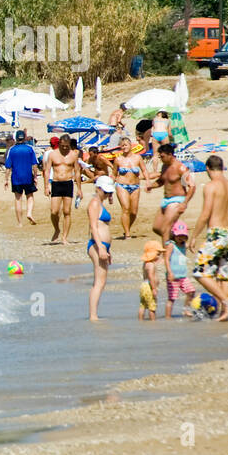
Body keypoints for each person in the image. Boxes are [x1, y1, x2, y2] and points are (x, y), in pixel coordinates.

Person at [187, 155, 228, 320]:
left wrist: (194, 236)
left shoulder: (211, 186)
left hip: (218, 233)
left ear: (208, 169)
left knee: (199, 272)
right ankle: (226, 312)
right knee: (225, 275)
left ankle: (227, 302)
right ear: (222, 168)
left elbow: (205, 214)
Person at [147, 143, 194, 246]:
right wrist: (151, 185)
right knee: (157, 227)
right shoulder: (165, 166)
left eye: (162, 157)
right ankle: (178, 239)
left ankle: (165, 256)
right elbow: (161, 181)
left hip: (177, 200)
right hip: (166, 200)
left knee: (165, 228)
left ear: (170, 155)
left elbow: (192, 186)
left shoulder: (181, 168)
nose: (161, 159)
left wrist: (185, 203)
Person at [43, 134, 80, 244]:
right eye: (63, 146)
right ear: (59, 144)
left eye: (67, 146)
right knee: (54, 211)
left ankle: (64, 238)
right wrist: (46, 186)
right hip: (56, 183)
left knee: (67, 211)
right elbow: (47, 170)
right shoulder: (53, 155)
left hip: (68, 183)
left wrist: (79, 188)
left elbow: (77, 171)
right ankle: (57, 229)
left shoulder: (73, 155)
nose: (64, 148)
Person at [87, 176, 115, 321]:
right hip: (97, 245)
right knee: (99, 282)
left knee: (100, 281)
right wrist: (101, 248)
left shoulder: (100, 202)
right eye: (106, 192)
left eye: (110, 192)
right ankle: (93, 316)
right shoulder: (94, 203)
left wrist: (107, 250)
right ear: (98, 189)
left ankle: (94, 315)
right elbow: (93, 227)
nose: (108, 195)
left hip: (103, 246)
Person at [111, 137, 150, 239]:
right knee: (126, 209)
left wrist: (148, 181)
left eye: (126, 145)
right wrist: (110, 189)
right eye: (122, 145)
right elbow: (114, 174)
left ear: (130, 145)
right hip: (121, 185)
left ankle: (127, 227)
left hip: (135, 186)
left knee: (133, 212)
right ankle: (127, 234)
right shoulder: (118, 159)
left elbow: (144, 170)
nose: (124, 147)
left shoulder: (138, 158)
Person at [2, 130, 40, 226]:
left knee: (18, 199)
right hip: (27, 176)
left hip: (16, 177)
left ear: (16, 139)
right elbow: (34, 164)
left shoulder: (12, 150)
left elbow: (8, 167)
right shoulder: (29, 149)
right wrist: (35, 176)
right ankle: (29, 213)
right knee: (30, 196)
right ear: (24, 138)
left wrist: (6, 179)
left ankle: (20, 223)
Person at [164, 222, 194, 318]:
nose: (181, 238)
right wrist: (169, 272)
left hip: (183, 275)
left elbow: (190, 245)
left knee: (191, 291)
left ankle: (186, 309)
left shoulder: (184, 244)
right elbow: (166, 259)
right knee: (172, 298)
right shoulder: (171, 245)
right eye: (179, 236)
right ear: (174, 235)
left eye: (183, 236)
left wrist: (192, 246)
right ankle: (168, 317)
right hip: (173, 276)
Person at [140, 239, 163, 320]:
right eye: (158, 254)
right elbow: (151, 276)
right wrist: (154, 288)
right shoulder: (151, 265)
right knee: (152, 306)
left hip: (143, 286)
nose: (159, 256)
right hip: (149, 287)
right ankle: (152, 322)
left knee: (142, 305)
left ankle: (140, 320)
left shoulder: (145, 263)